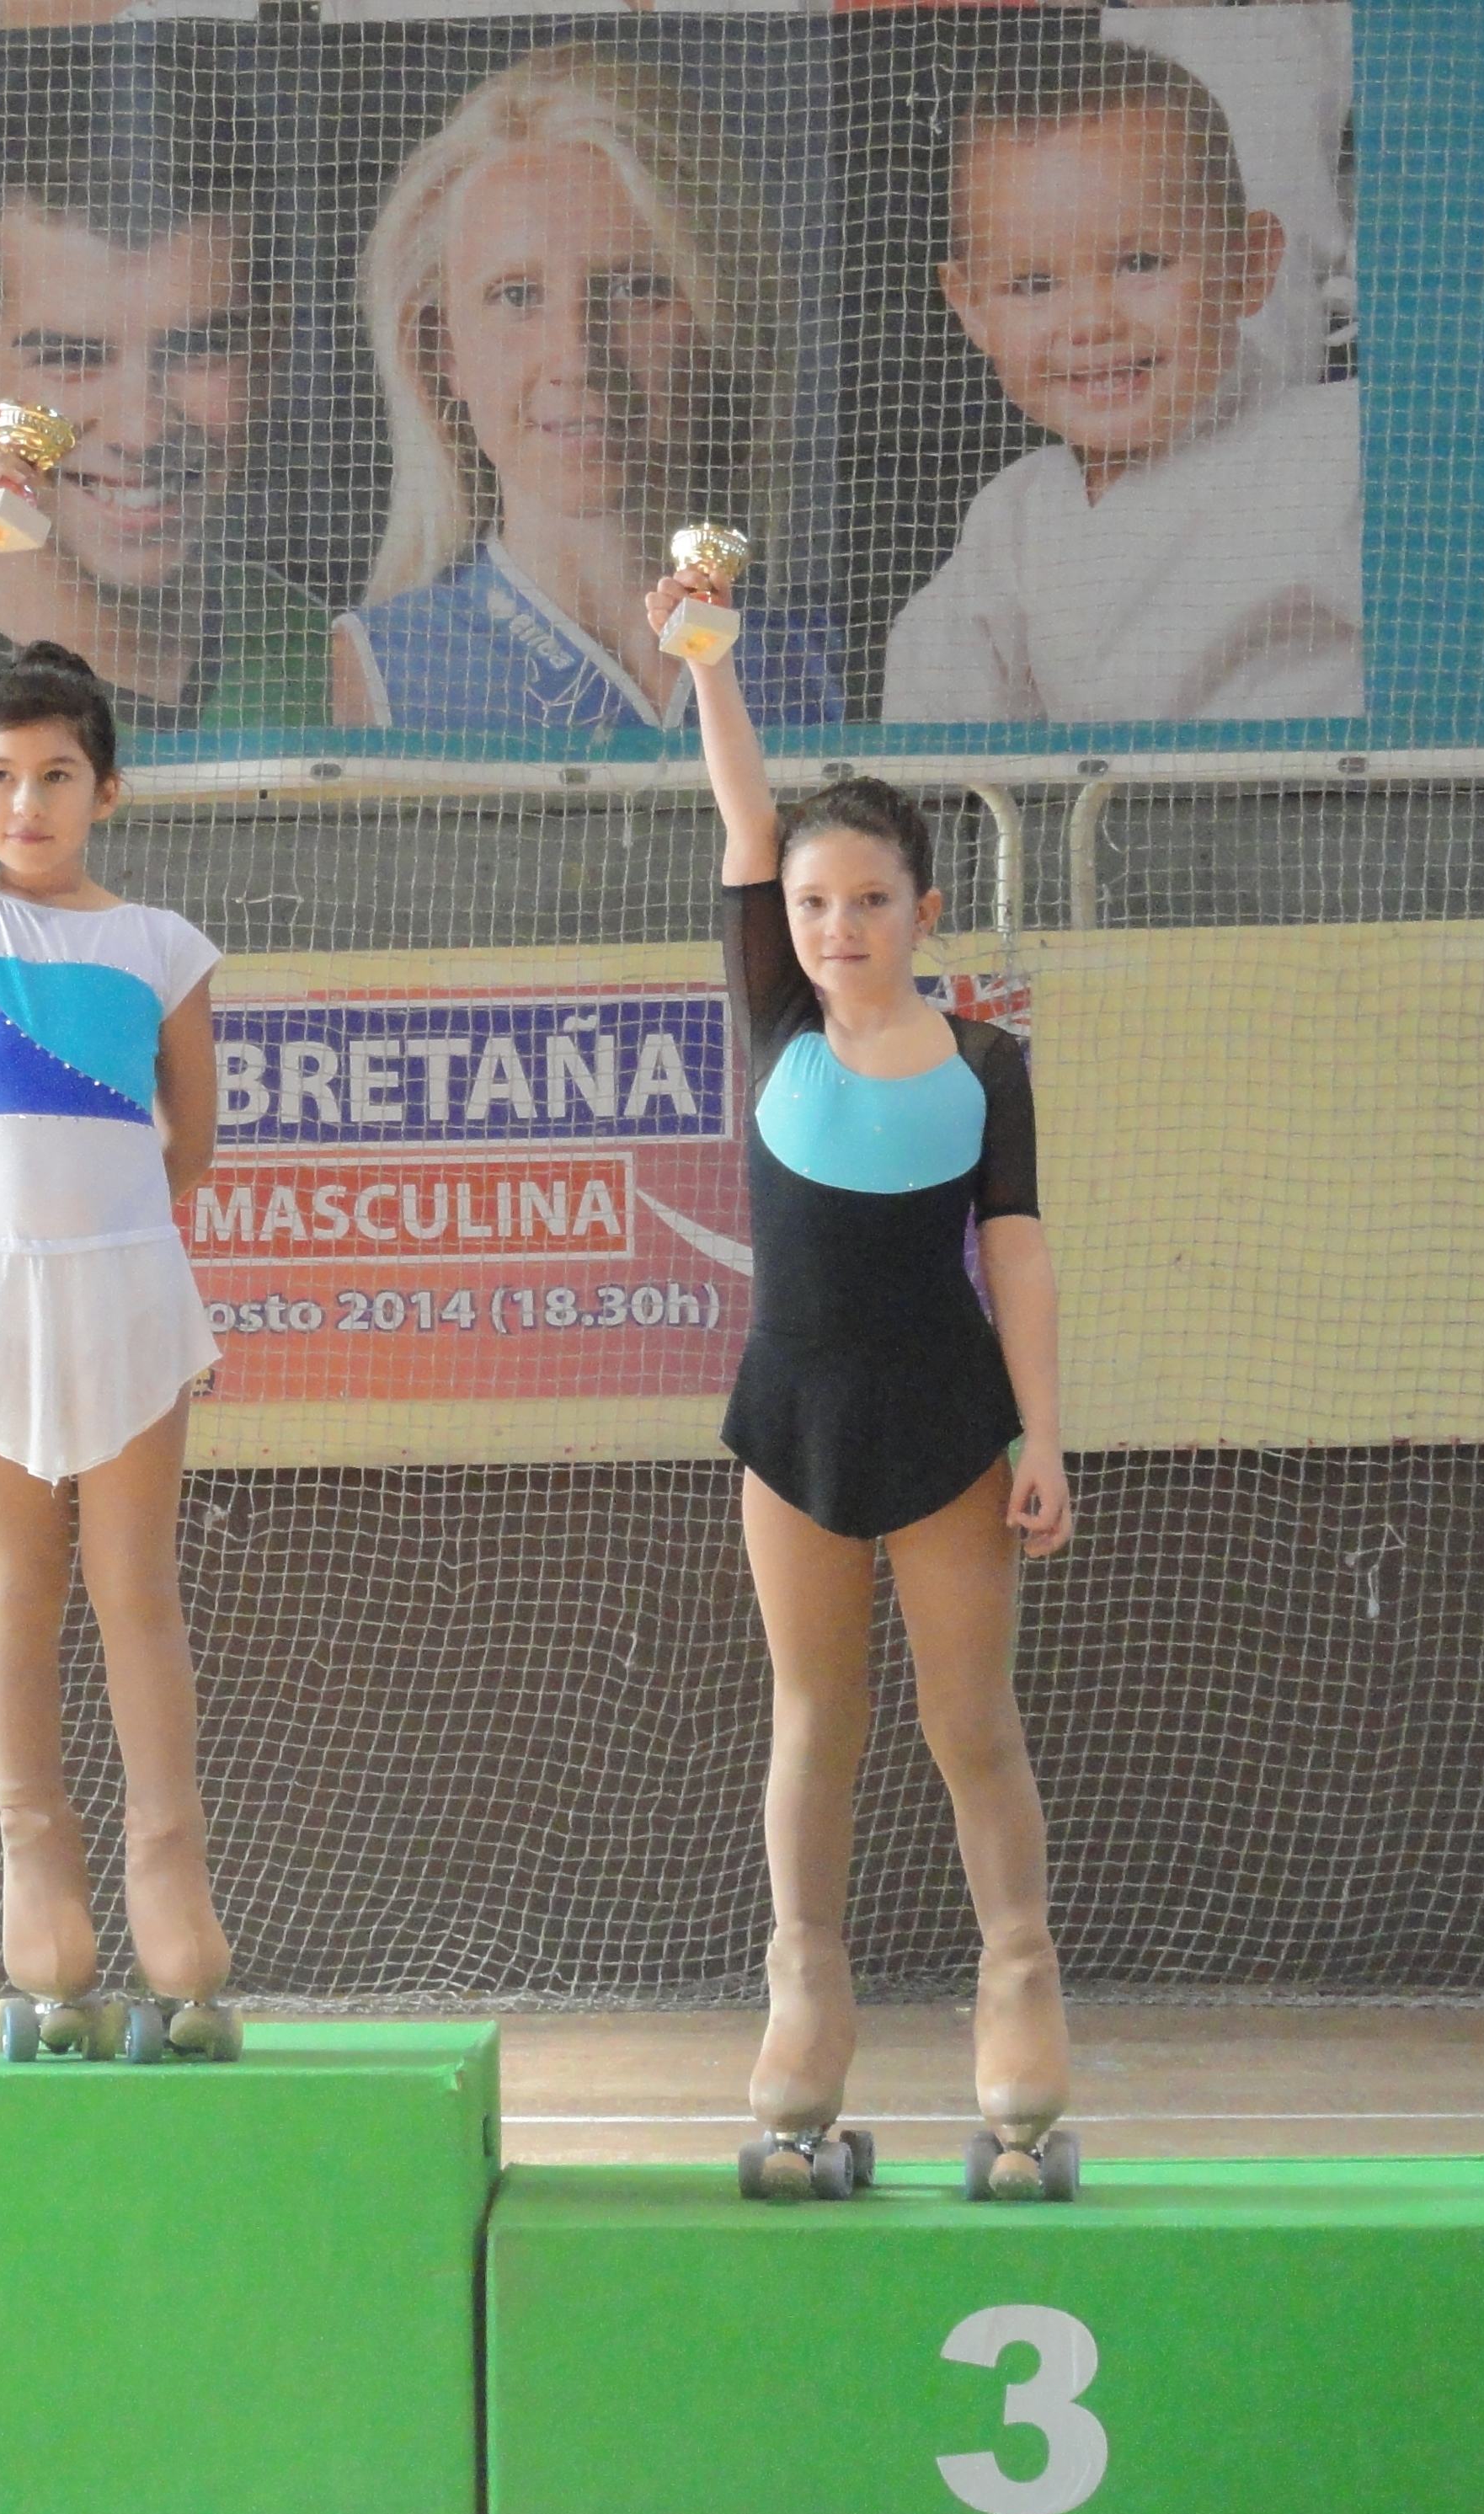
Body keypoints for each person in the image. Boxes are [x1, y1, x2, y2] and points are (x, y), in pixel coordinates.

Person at [656, 541, 1080, 2205]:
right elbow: (742, 817)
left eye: (871, 901)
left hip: (954, 1430)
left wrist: (1042, 1439)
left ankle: (1020, 1998)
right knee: (814, 1721)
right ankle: (805, 2006)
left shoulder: (987, 1063)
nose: (837, 925)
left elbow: (1018, 1254)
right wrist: (709, 660)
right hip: (793, 1430)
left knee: (972, 1725)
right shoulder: (775, 1019)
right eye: (815, 903)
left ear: (925, 911)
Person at [0, 417, 238, 2065]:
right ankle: (44, 1899)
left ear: (108, 788)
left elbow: (193, 1142)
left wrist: (124, 1243)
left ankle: (176, 1902)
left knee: (135, 1595)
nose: (26, 799)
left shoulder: (163, 944)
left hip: (129, 1299)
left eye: (57, 775)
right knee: (14, 1592)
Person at [336, 46, 838, 739]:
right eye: (518, 296)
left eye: (636, 289)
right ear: (444, 350)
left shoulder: (826, 663)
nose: (578, 358)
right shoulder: (374, 674)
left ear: (718, 319)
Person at [882, 36, 1362, 723]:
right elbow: (931, 736)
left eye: (1141, 263)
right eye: (1034, 284)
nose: (1092, 323)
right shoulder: (1014, 520)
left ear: (1249, 265)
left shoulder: (1342, 450)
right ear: (972, 309)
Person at [0, 136, 330, 737]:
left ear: (269, 347)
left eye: (199, 349)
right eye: (70, 357)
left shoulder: (339, 666)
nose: (141, 433)